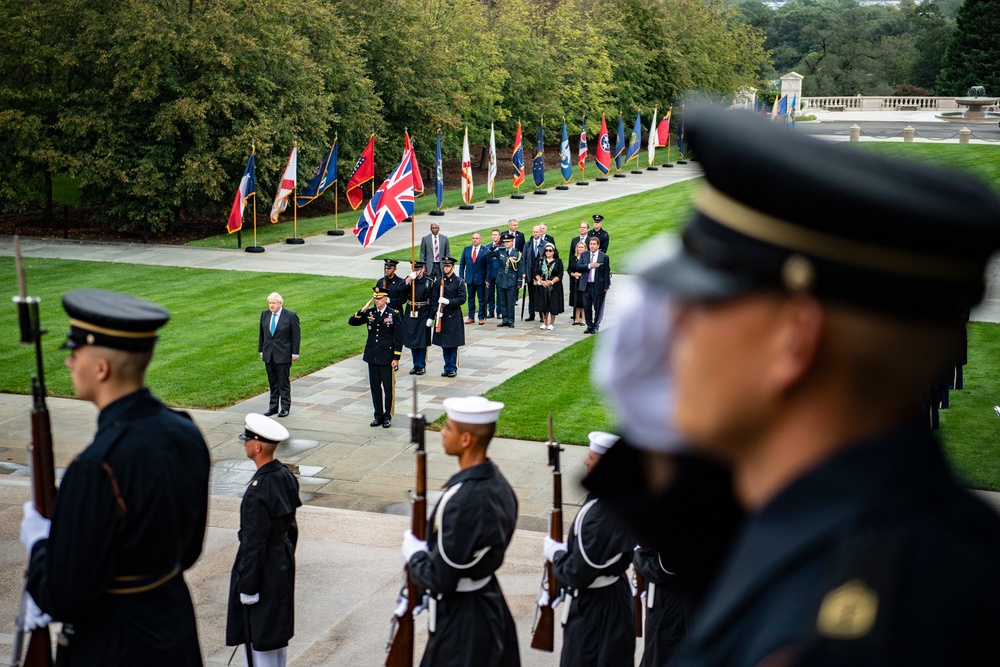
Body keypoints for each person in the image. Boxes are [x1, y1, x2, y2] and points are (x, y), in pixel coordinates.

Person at [585, 104, 1000, 666]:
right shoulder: (858, 534)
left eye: (701, 302)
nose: (672, 326)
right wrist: (661, 458)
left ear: (793, 340)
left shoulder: (844, 635)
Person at [21, 289, 210, 665]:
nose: (69, 364)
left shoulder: (95, 467)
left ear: (101, 368)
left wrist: (41, 545)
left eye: (74, 353)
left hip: (114, 647)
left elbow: (64, 596)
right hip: (174, 633)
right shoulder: (185, 431)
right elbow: (186, 552)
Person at [402, 395, 521, 667]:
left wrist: (415, 556)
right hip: (488, 604)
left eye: (448, 428)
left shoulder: (464, 500)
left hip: (464, 621)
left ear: (466, 439)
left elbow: (440, 577)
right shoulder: (498, 483)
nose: (442, 432)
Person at [544, 432, 634, 667]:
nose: (585, 461)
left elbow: (578, 571)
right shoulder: (615, 499)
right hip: (610, 599)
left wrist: (557, 556)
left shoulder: (598, 514)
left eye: (591, 458)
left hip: (598, 610)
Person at [226, 413, 301, 667]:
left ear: (257, 446)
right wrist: (284, 556)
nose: (245, 443)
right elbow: (292, 529)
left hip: (263, 572)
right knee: (275, 639)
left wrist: (247, 587)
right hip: (280, 563)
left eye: (247, 440)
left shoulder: (257, 493)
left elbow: (253, 545)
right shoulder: (285, 476)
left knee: (262, 643)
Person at [348, 286, 403, 427]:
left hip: (386, 356)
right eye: (375, 299)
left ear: (385, 299)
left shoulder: (393, 314)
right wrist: (362, 310)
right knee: (375, 388)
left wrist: (396, 357)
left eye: (379, 299)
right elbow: (352, 322)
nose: (376, 301)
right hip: (372, 356)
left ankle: (387, 416)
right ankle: (378, 415)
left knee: (388, 388)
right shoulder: (370, 313)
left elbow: (398, 337)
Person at [634, 545, 687, 667]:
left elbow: (661, 568)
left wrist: (638, 557)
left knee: (660, 653)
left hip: (669, 601)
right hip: (665, 598)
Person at [258, 292, 301, 418]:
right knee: (273, 382)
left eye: (273, 303)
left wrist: (295, 353)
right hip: (269, 354)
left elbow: (296, 336)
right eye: (269, 303)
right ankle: (273, 407)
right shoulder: (265, 314)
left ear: (280, 303)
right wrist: (261, 350)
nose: (271, 305)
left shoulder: (290, 315)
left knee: (283, 382)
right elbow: (262, 334)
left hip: (283, 354)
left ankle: (285, 407)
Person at [430, 257, 467, 377]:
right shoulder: (439, 282)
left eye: (448, 266)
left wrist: (449, 302)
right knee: (444, 344)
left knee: (453, 344)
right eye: (444, 266)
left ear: (453, 267)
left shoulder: (459, 282)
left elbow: (462, 299)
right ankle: (447, 367)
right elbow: (434, 299)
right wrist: (437, 311)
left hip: (454, 315)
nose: (446, 268)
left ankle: (453, 367)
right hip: (443, 316)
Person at [401, 261, 434, 375]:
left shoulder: (428, 282)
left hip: (423, 311)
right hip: (411, 310)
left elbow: (433, 301)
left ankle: (421, 365)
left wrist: (431, 317)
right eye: (413, 269)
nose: (415, 271)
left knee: (421, 341)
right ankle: (415, 364)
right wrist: (410, 278)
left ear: (423, 270)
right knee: (412, 340)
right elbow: (399, 289)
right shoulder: (410, 281)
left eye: (418, 269)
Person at [487, 231, 522, 328]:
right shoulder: (500, 251)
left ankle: (511, 320)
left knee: (510, 302)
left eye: (508, 242)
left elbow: (520, 268)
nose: (506, 244)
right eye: (505, 242)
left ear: (512, 242)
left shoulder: (517, 254)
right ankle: (504, 319)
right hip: (501, 279)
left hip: (511, 280)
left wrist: (519, 282)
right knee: (502, 301)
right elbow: (488, 254)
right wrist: (495, 246)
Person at [578, 236, 610, 334]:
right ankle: (589, 325)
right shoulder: (584, 255)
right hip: (586, 285)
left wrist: (606, 286)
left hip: (598, 285)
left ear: (598, 245)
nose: (592, 246)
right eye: (591, 244)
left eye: (594, 244)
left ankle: (596, 326)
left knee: (598, 307)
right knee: (587, 307)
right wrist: (589, 266)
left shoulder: (603, 257)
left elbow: (606, 272)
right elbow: (579, 266)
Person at [460, 232, 489, 324]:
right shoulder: (467, 249)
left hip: (480, 279)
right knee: (470, 298)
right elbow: (462, 264)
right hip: (469, 278)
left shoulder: (485, 250)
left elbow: (488, 266)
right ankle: (471, 316)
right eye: (473, 238)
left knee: (481, 299)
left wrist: (487, 279)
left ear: (480, 239)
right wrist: (461, 277)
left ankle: (481, 317)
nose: (475, 240)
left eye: (477, 238)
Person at [534, 243, 564, 330]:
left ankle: (552, 323)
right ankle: (544, 322)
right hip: (542, 286)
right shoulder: (541, 261)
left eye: (550, 250)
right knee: (543, 304)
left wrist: (551, 282)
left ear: (554, 251)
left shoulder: (558, 261)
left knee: (553, 304)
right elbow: (536, 272)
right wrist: (540, 281)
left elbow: (560, 274)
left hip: (554, 286)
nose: (548, 252)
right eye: (546, 250)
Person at [522, 225, 546, 322]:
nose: (535, 233)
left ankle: (541, 315)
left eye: (537, 232)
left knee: (540, 294)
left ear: (540, 232)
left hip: (540, 274)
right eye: (534, 232)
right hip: (530, 272)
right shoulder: (527, 244)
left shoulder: (545, 244)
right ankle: (531, 314)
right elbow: (524, 259)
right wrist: (524, 272)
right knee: (531, 294)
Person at [568, 240, 588, 326]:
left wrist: (580, 274)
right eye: (579, 247)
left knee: (582, 300)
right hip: (574, 281)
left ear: (585, 248)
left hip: (582, 281)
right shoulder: (573, 258)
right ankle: (576, 318)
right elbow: (569, 268)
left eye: (582, 247)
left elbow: (588, 269)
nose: (580, 249)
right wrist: (572, 274)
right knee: (575, 299)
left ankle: (583, 319)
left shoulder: (587, 258)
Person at [485, 228, 502, 319]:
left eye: (496, 235)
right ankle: (491, 311)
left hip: (499, 274)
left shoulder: (503, 247)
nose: (494, 236)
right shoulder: (487, 247)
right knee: (490, 294)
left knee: (499, 294)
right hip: (490, 274)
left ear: (499, 236)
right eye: (493, 235)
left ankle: (499, 311)